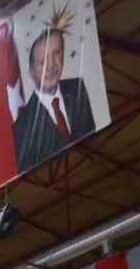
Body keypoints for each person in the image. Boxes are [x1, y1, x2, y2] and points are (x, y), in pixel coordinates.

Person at [13, 24, 98, 173]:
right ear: (31, 71)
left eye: (56, 53)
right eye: (42, 62)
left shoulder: (78, 88)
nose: (51, 65)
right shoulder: (22, 126)